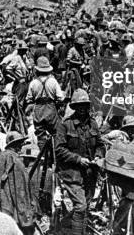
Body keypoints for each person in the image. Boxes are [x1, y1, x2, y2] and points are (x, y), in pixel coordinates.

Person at [55, 89, 104, 235]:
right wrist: (78, 159)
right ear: (74, 107)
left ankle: (71, 227)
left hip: (90, 173)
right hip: (72, 173)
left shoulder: (93, 124)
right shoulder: (65, 125)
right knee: (81, 206)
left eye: (85, 105)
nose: (82, 109)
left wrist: (98, 156)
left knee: (86, 206)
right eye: (79, 106)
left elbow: (100, 144)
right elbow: (59, 150)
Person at [0, 131, 36, 235]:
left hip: (9, 203)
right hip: (15, 203)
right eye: (20, 143)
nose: (22, 145)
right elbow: (19, 187)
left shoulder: (3, 157)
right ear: (14, 144)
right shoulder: (13, 159)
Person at [26, 56, 65, 149]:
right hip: (51, 108)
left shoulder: (33, 83)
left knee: (40, 134)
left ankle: (42, 154)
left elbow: (28, 99)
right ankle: (55, 153)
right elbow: (61, 98)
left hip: (38, 109)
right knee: (55, 132)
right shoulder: (53, 81)